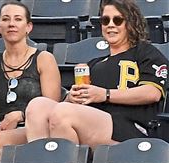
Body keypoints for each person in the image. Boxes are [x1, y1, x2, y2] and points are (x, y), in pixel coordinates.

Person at [25, 0, 168, 148]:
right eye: (105, 20)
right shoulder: (93, 63)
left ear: (130, 23)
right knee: (38, 106)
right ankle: (42, 162)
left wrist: (105, 94)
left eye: (117, 20)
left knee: (63, 113)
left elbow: (153, 93)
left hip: (131, 128)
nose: (110, 25)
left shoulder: (145, 52)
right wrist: (71, 98)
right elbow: (80, 103)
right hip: (93, 122)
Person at [0, 1, 61, 150]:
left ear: (28, 27)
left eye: (18, 19)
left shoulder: (43, 58)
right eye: (5, 19)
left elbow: (51, 108)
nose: (11, 24)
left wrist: (20, 115)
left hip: (31, 128)